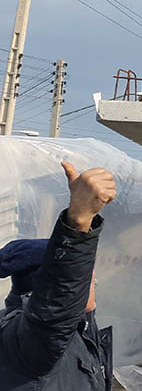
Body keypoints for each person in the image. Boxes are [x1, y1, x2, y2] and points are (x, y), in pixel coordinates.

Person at [0, 160, 118, 390]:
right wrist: (79, 220)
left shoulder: (79, 327)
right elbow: (57, 303)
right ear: (42, 284)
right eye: (88, 278)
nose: (94, 282)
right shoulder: (29, 341)